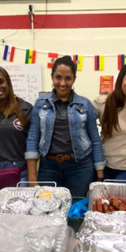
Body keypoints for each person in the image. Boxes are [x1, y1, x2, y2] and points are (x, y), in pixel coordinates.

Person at [25, 55, 104, 198]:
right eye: (58, 77)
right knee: (48, 209)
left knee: (75, 209)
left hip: (80, 167)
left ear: (74, 79)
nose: (62, 83)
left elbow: (95, 139)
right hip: (48, 167)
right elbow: (32, 138)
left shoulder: (85, 104)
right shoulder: (40, 103)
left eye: (68, 78)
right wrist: (32, 179)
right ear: (52, 77)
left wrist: (99, 175)